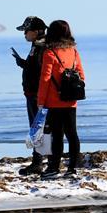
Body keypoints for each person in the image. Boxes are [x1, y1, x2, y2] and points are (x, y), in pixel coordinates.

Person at [37, 20, 85, 178]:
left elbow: (45, 80)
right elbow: (81, 75)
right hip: (71, 100)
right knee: (72, 134)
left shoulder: (49, 53)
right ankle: (73, 168)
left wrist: (40, 101)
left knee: (57, 135)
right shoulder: (74, 51)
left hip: (53, 101)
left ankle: (54, 168)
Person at [12, 16, 47, 175]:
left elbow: (41, 71)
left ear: (35, 31)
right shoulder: (37, 46)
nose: (24, 34)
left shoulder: (41, 47)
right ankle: (39, 161)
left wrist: (25, 66)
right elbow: (35, 68)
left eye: (26, 31)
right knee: (37, 128)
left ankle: (38, 162)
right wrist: (24, 64)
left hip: (37, 94)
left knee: (38, 128)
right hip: (33, 93)